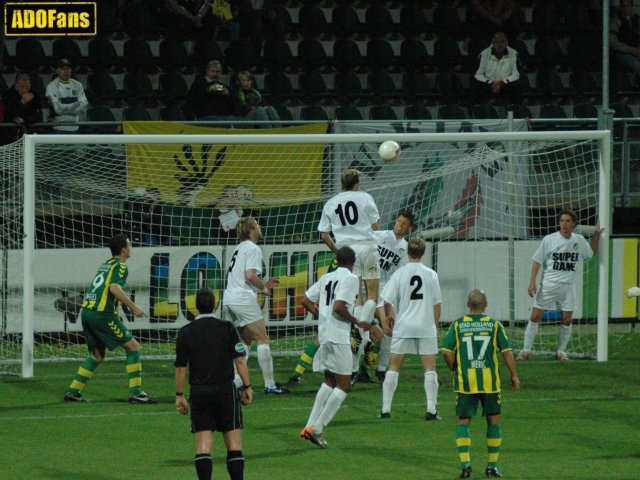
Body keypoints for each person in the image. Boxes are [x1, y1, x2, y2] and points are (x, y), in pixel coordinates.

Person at [64, 234, 155, 404]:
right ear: (123, 249)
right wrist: (133, 307)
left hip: (88, 312)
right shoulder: (121, 266)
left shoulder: (106, 265)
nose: (131, 247)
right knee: (133, 348)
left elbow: (101, 289)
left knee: (97, 355)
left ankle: (73, 391)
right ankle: (136, 392)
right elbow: (113, 289)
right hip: (101, 315)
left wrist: (114, 310)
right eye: (129, 244)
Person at [441, 289, 520, 479]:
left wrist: (453, 367)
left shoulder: (458, 325)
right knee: (493, 421)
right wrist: (514, 376)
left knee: (463, 421)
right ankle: (491, 466)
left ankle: (465, 465)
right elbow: (507, 352)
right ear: (486, 304)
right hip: (490, 383)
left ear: (468, 305)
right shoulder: (494, 325)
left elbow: (445, 350)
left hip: (465, 382)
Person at [175, 287, 252, 480]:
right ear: (215, 305)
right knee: (234, 444)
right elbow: (240, 360)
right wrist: (248, 386)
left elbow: (181, 368)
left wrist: (179, 395)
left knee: (203, 446)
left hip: (200, 393)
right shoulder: (227, 328)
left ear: (195, 307)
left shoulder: (186, 332)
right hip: (225, 391)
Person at [299, 246, 372, 448]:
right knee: (345, 385)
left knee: (330, 381)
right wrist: (357, 321)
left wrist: (320, 315)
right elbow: (339, 306)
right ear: (353, 261)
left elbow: (304, 300)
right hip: (339, 336)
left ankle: (309, 425)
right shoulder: (350, 279)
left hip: (324, 335)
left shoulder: (327, 277)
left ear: (336, 260)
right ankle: (318, 427)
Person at [517, 210, 603, 361]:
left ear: (574, 224)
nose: (564, 224)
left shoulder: (579, 240)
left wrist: (596, 235)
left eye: (568, 221)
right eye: (562, 221)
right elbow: (537, 260)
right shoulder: (549, 239)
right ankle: (526, 350)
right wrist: (532, 282)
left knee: (567, 319)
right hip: (549, 285)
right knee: (535, 316)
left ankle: (561, 352)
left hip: (569, 286)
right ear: (559, 223)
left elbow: (590, 253)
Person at [223, 216, 288, 394]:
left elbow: (245, 278)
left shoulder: (239, 248)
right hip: (242, 298)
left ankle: (237, 380)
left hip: (229, 299)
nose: (260, 227)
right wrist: (265, 290)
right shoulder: (253, 248)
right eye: (257, 225)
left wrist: (264, 286)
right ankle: (270, 384)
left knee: (245, 340)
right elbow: (250, 276)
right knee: (262, 338)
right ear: (251, 230)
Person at [379, 237, 442, 421]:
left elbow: (386, 301)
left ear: (407, 252)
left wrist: (390, 317)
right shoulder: (431, 274)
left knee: (394, 367)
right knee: (430, 369)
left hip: (404, 325)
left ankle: (385, 409)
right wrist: (435, 327)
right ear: (423, 252)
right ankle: (431, 410)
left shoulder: (399, 274)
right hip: (425, 325)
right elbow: (437, 305)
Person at [318, 169, 381, 347]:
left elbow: (324, 235)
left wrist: (338, 252)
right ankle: (361, 330)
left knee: (357, 296)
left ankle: (360, 337)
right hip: (367, 247)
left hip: (347, 250)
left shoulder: (330, 203)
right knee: (373, 295)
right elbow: (375, 225)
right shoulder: (365, 197)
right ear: (357, 184)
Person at [472, 31, 521, 106]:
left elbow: (516, 74)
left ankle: (515, 110)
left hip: (506, 84)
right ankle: (479, 109)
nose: (499, 44)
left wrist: (502, 83)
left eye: (502, 42)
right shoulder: (484, 54)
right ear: (492, 43)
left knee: (517, 86)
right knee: (476, 85)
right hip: (488, 84)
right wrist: (491, 83)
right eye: (496, 42)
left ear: (506, 42)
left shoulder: (514, 54)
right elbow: (478, 74)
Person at [186, 59, 237, 125]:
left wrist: (228, 94)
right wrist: (207, 90)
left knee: (240, 121)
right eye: (212, 71)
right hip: (205, 116)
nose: (215, 74)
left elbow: (235, 103)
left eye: (217, 71)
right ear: (207, 71)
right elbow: (192, 100)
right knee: (221, 123)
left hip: (225, 116)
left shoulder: (223, 86)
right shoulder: (199, 83)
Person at [46, 58, 89, 133]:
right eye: (63, 69)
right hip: (58, 127)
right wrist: (75, 105)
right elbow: (57, 109)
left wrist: (67, 108)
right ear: (57, 70)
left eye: (68, 68)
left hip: (75, 126)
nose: (66, 71)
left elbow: (84, 104)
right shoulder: (52, 86)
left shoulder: (77, 85)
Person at [1, 73, 42, 144]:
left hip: (29, 132)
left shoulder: (34, 95)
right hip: (9, 134)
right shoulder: (8, 95)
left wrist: (24, 119)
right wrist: (22, 102)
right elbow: (7, 114)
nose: (25, 90)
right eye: (22, 87)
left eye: (27, 86)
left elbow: (37, 115)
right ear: (16, 86)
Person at [610, 0, 640, 76]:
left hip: (636, 51)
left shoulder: (637, 20)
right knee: (634, 63)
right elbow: (612, 42)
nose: (625, 8)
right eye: (623, 6)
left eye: (627, 6)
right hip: (620, 53)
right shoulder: (615, 20)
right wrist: (630, 49)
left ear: (631, 7)